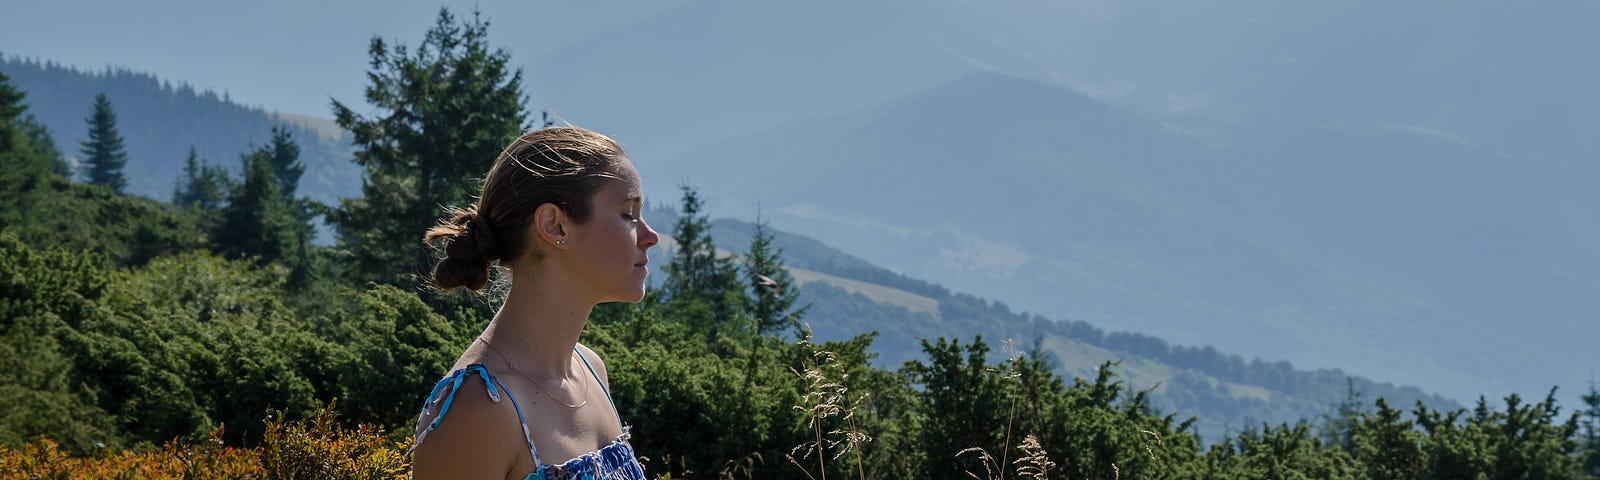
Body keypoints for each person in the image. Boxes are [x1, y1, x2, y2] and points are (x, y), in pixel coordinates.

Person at [410, 127, 658, 480]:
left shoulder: (590, 369)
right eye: (628, 214)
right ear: (554, 226)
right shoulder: (478, 408)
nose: (650, 236)